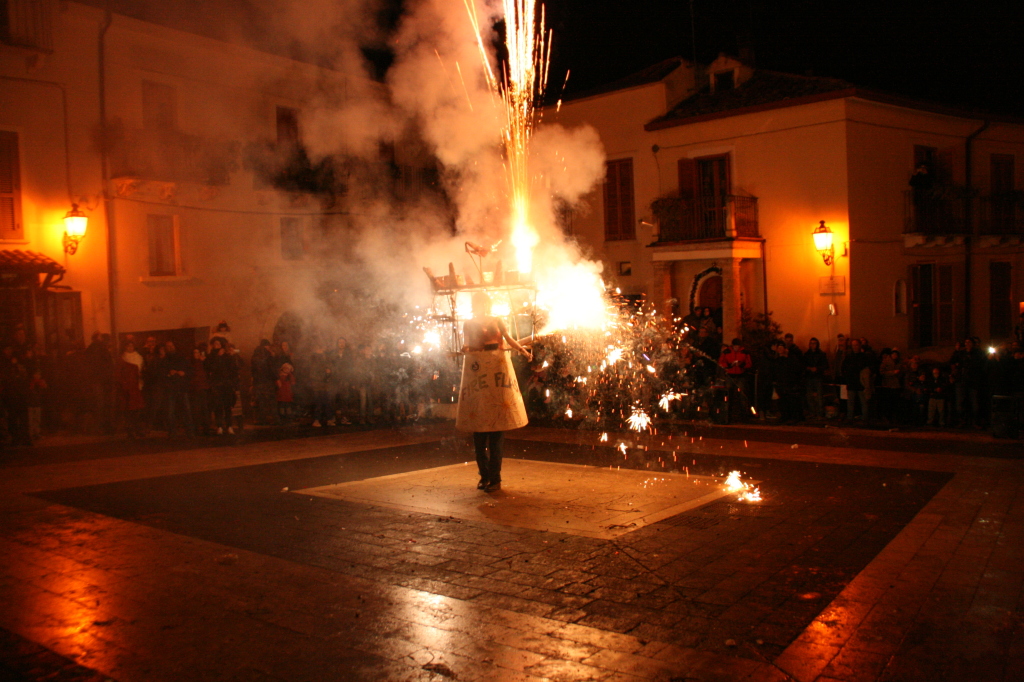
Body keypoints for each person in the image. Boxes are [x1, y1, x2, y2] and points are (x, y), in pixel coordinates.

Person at [458, 292, 532, 493]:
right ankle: (484, 476)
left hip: (498, 378)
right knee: (480, 437)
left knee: (496, 436)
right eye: (477, 303)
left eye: (482, 303)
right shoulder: (468, 323)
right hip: (479, 377)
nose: (480, 306)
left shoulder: (497, 320)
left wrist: (523, 351)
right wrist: (467, 349)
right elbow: (466, 344)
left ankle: (495, 479)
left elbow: (508, 339)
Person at [205, 338, 238, 435]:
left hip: (227, 384)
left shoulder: (227, 356)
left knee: (228, 406)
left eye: (218, 343)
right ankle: (219, 426)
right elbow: (210, 368)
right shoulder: (211, 356)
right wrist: (218, 357)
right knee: (218, 406)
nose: (216, 345)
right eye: (215, 343)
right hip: (217, 384)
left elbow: (233, 368)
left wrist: (233, 356)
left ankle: (229, 426)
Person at [803, 337, 828, 419]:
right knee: (809, 396)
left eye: (814, 343)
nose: (813, 345)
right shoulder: (807, 354)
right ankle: (812, 412)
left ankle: (820, 413)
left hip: (818, 377)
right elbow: (803, 365)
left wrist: (817, 369)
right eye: (811, 343)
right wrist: (809, 368)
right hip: (809, 377)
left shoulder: (821, 354)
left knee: (819, 396)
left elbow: (825, 366)